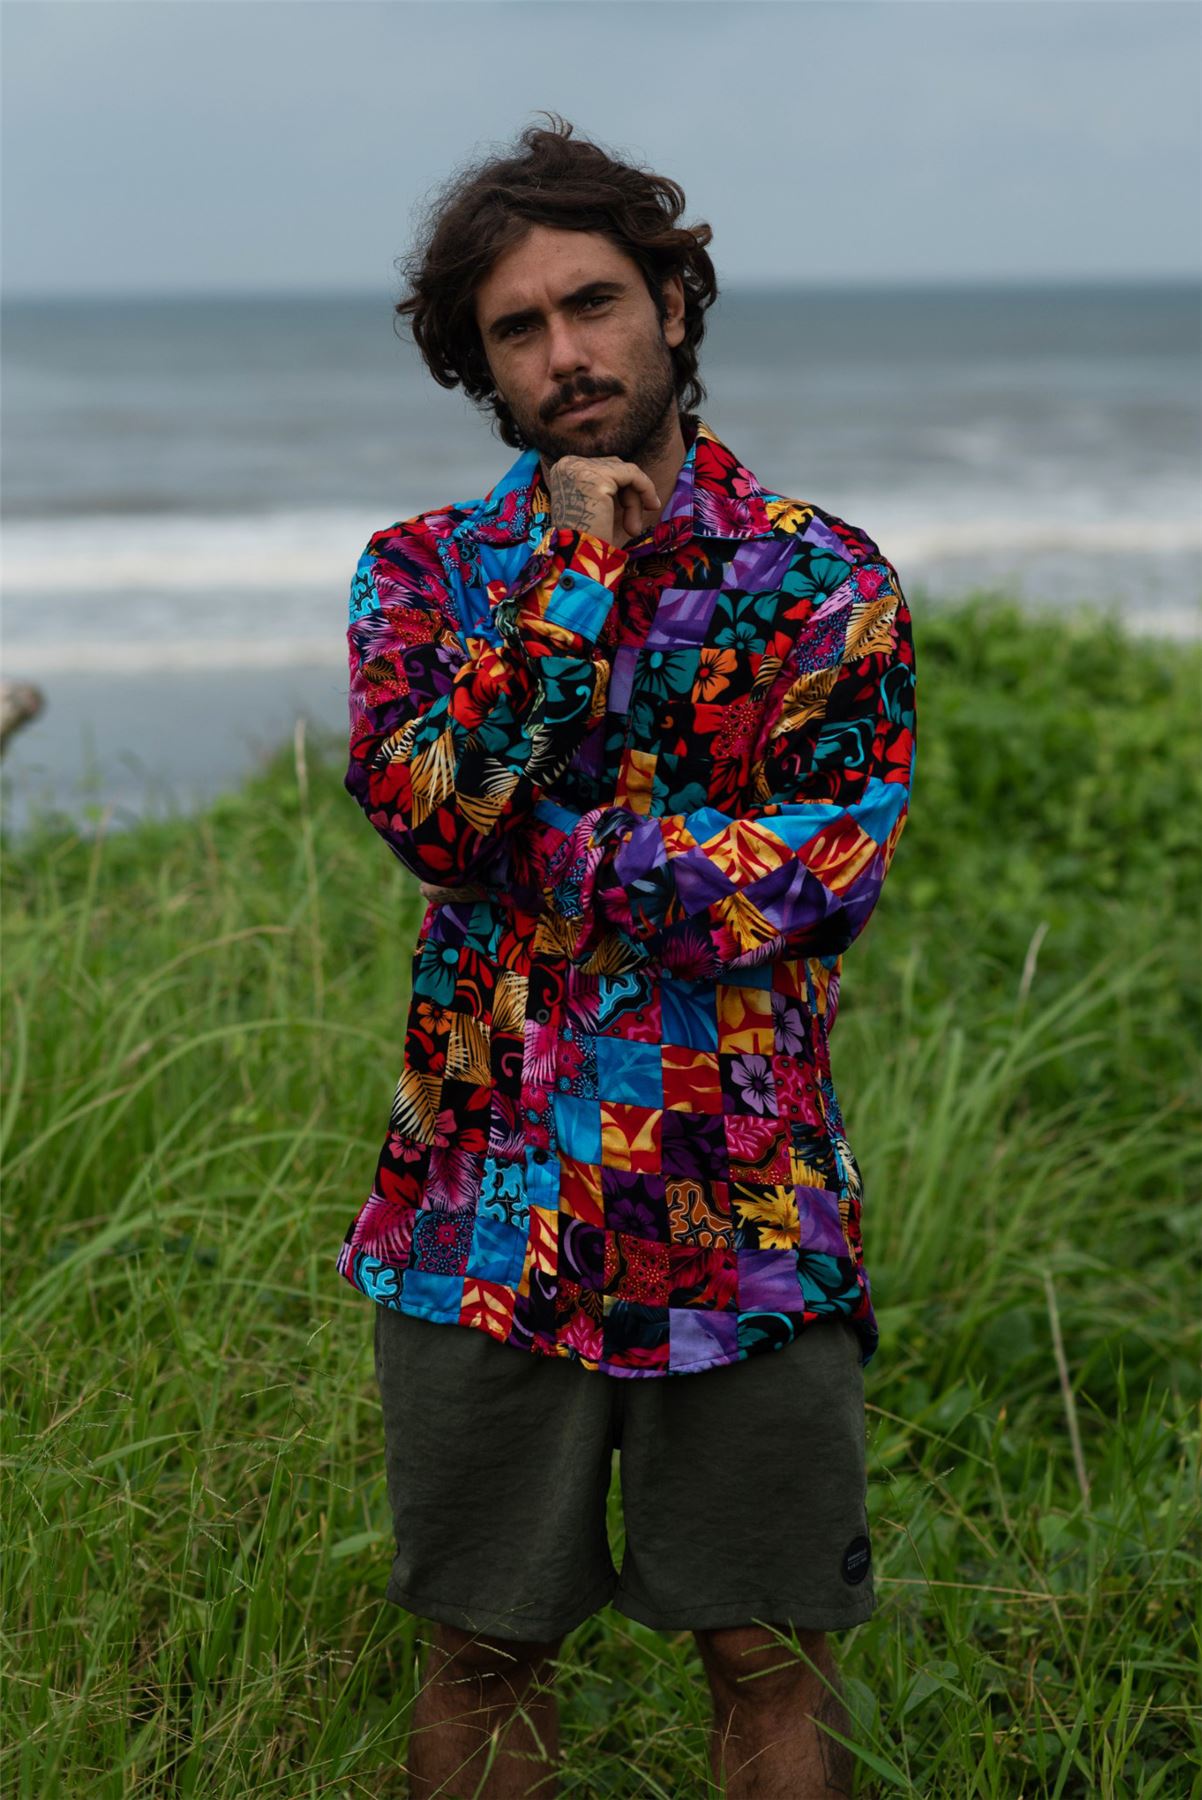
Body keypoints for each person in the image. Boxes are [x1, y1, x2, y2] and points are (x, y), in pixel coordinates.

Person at [338, 113, 917, 1800]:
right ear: (483, 363)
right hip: (476, 1202)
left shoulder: (818, 579)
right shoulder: (425, 575)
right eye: (517, 328)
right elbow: (429, 817)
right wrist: (578, 577)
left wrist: (541, 855)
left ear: (668, 299)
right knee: (480, 1651)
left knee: (767, 1658)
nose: (565, 355)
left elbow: (817, 878)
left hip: (743, 1204)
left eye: (591, 302)